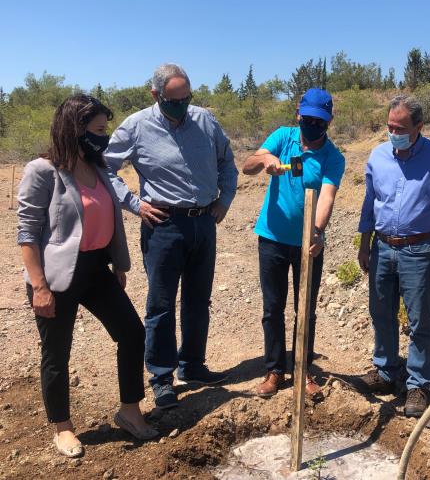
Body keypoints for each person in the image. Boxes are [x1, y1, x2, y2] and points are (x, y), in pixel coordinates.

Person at [17, 95, 158, 458]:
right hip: (56, 276)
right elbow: (28, 234)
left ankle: (129, 410)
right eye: (98, 130)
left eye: (105, 129)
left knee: (131, 333)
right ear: (75, 130)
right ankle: (62, 428)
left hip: (96, 269)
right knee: (56, 352)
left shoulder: (99, 167)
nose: (104, 137)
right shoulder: (42, 171)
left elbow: (107, 216)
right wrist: (40, 287)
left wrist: (118, 264)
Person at [105, 64, 238, 409]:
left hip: (203, 222)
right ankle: (162, 378)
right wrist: (135, 205)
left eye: (186, 98)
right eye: (173, 100)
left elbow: (227, 161)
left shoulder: (205, 121)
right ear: (156, 95)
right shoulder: (136, 127)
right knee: (161, 305)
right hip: (163, 225)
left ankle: (192, 364)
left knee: (198, 300)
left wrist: (224, 199)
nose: (182, 106)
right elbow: (105, 168)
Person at [356, 95, 430, 417]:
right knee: (381, 312)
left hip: (417, 250)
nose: (393, 132)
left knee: (419, 319)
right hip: (381, 246)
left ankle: (418, 384)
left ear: (419, 127)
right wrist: (364, 244)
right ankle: (385, 371)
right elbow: (369, 204)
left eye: (400, 127)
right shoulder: (377, 156)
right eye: (389, 127)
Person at [241, 88, 345, 399]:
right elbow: (246, 167)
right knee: (273, 307)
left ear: (328, 122)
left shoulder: (333, 157)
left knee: (306, 309)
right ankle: (275, 370)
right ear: (298, 114)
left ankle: (303, 369)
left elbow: (326, 196)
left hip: (307, 244)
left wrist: (316, 232)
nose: (313, 126)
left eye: (320, 122)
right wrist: (266, 158)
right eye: (309, 119)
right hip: (272, 238)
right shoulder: (283, 137)